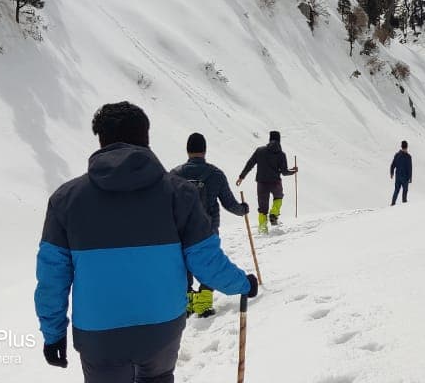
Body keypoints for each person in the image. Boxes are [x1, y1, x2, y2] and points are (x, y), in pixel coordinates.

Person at [35, 102, 258, 383]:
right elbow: (206, 260)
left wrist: (53, 334)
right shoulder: (179, 194)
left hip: (98, 335)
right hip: (162, 328)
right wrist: (242, 284)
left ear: (101, 140)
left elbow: (51, 278)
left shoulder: (65, 199)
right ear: (146, 137)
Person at [171, 133, 249, 318]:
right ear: (205, 150)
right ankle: (204, 304)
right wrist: (243, 209)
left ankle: (188, 302)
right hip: (208, 231)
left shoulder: (173, 175)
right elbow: (229, 204)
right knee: (210, 263)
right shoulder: (215, 174)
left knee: (183, 265)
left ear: (188, 150)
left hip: (180, 231)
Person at [236, 130, 297, 232]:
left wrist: (241, 177)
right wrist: (293, 171)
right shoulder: (281, 154)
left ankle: (263, 229)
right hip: (275, 182)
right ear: (279, 140)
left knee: (262, 208)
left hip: (261, 183)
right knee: (278, 197)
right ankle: (274, 213)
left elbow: (250, 164)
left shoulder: (260, 151)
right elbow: (285, 172)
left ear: (269, 139)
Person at [390, 140, 413, 206]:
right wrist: (410, 178)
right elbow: (410, 168)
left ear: (401, 146)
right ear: (407, 147)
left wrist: (392, 173)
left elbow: (393, 165)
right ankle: (404, 204)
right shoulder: (408, 157)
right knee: (405, 190)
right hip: (405, 177)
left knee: (396, 190)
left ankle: (392, 204)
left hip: (398, 177)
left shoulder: (397, 155)